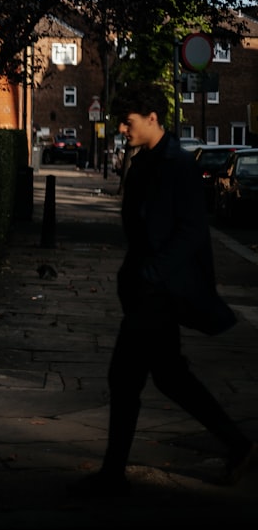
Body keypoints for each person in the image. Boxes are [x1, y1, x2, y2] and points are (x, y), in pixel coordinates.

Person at [70, 82, 256, 497]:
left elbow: (192, 231)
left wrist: (151, 273)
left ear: (153, 118)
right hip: (146, 289)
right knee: (170, 377)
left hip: (159, 291)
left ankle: (112, 475)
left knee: (125, 377)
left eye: (128, 121)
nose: (121, 128)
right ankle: (239, 446)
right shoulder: (144, 161)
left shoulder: (177, 164)